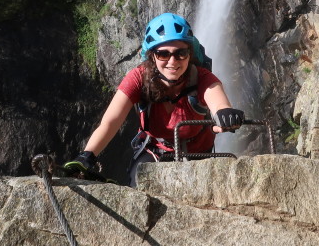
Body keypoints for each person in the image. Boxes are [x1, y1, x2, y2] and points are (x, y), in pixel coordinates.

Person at [64, 12, 245, 187]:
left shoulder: (202, 77)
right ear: (152, 55)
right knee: (138, 187)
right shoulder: (138, 78)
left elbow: (218, 101)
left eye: (180, 53)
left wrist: (225, 113)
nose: (172, 61)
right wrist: (87, 155)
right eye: (163, 54)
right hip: (155, 151)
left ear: (190, 54)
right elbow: (111, 122)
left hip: (199, 155)